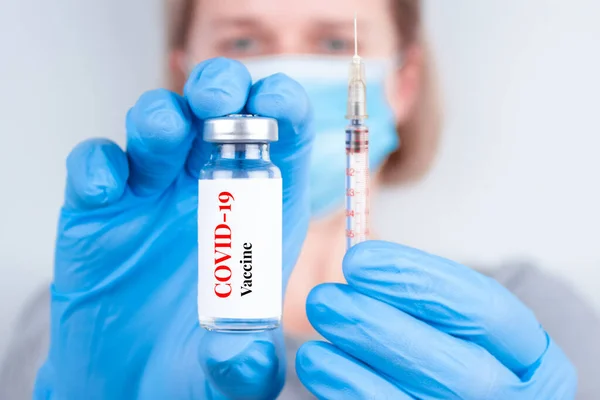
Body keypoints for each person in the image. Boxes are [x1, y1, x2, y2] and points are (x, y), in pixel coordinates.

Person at [1, 0, 599, 398]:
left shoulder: (524, 321)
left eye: (336, 44)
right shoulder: (96, 313)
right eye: (243, 38)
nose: (288, 77)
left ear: (405, 83)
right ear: (184, 72)